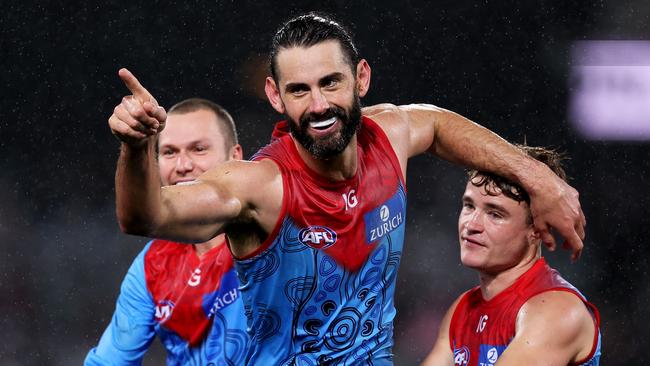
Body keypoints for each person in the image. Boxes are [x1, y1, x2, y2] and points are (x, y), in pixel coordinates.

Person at [107, 13, 586, 365]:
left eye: (331, 83)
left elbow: (438, 125)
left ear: (361, 78)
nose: (319, 105)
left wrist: (538, 177)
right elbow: (145, 216)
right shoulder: (257, 185)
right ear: (275, 95)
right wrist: (134, 149)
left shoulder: (390, 137)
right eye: (299, 90)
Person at [86, 98, 249, 365]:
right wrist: (136, 144)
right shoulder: (152, 267)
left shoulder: (273, 234)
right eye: (170, 152)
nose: (182, 165)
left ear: (235, 157)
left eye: (198, 149)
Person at [421, 145, 601, 366]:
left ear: (537, 230)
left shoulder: (557, 310)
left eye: (495, 214)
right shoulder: (461, 309)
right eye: (469, 206)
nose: (471, 225)